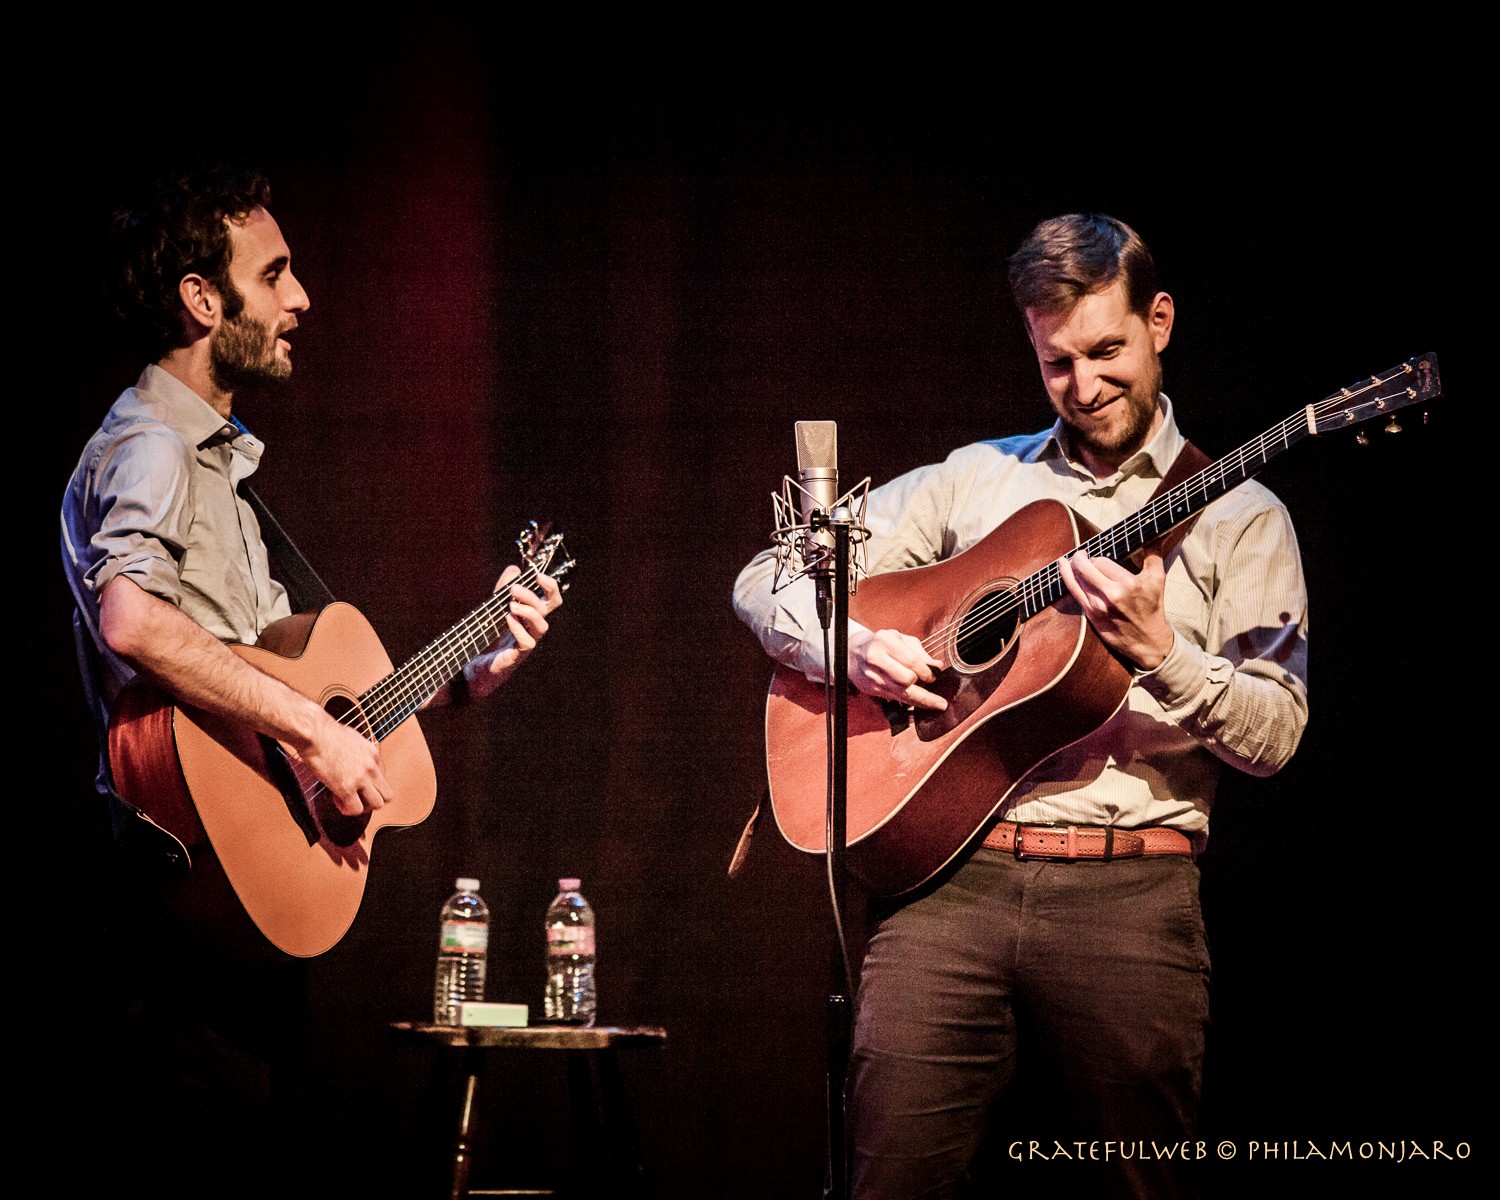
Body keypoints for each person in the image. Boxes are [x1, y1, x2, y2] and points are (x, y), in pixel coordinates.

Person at [732, 213, 1309, 1198]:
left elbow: (1277, 733)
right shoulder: (977, 479)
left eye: (1107, 352)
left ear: (1160, 320)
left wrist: (1161, 653)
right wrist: (852, 650)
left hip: (1131, 895)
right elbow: (763, 578)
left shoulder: (1239, 514)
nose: (1084, 389)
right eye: (1057, 364)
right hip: (949, 887)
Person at [59, 162, 563, 1199]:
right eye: (273, 274)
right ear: (202, 300)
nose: (301, 300)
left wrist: (466, 676)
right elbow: (131, 615)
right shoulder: (154, 444)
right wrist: (310, 730)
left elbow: (321, 704)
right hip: (174, 928)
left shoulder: (219, 474)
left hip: (239, 923)